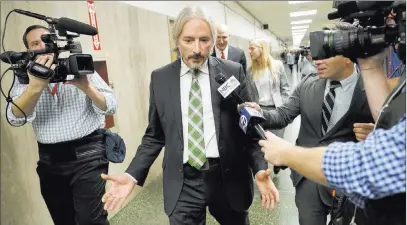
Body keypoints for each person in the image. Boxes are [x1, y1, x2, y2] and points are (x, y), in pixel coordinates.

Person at [100, 6, 279, 225]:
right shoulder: (161, 78)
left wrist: (260, 168)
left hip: (228, 177)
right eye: (188, 40)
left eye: (204, 40)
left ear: (213, 41)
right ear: (177, 40)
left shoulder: (232, 72)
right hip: (183, 182)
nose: (197, 49)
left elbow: (249, 128)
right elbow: (154, 135)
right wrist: (131, 175)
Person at [242, 26, 375, 224]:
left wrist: (378, 130)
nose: (317, 60)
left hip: (350, 181)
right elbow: (282, 115)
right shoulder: (307, 84)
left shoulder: (373, 87)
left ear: (348, 56)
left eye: (326, 54)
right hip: (308, 179)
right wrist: (259, 112)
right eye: (316, 54)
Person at [7, 25, 117, 225]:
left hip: (89, 156)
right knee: (63, 220)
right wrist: (35, 87)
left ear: (55, 43)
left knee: (90, 221)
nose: (43, 47)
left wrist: (87, 87)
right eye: (35, 44)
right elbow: (14, 118)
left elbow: (110, 106)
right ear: (29, 51)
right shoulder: (24, 75)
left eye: (46, 40)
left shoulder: (78, 64)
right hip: (50, 162)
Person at [258, 114, 406, 225]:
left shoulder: (362, 88)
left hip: (349, 191)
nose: (316, 70)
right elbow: (283, 114)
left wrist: (287, 154)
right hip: (308, 183)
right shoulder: (308, 84)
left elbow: (380, 160)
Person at [247, 38, 290, 139]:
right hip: (259, 111)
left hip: (276, 111)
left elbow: (285, 88)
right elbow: (249, 93)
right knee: (261, 143)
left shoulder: (277, 65)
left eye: (252, 48)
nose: (249, 51)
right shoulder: (250, 71)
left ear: (262, 49)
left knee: (277, 142)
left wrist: (284, 108)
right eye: (248, 49)